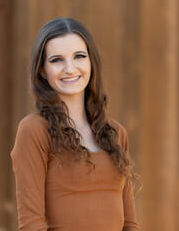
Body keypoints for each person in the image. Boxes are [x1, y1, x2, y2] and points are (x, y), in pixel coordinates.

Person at [10, 17, 140, 231]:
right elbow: (31, 225)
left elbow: (129, 224)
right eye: (56, 60)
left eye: (79, 56)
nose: (70, 69)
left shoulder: (116, 133)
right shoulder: (34, 131)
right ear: (42, 70)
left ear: (91, 62)